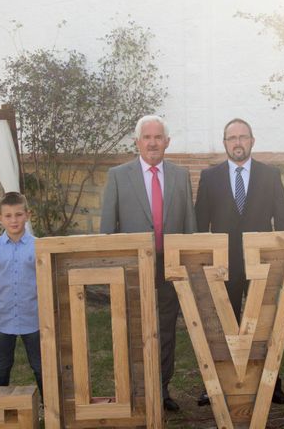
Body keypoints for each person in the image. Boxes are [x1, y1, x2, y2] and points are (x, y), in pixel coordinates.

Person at [100, 114, 196, 412]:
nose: (152, 142)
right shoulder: (118, 176)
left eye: (158, 137)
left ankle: (162, 388)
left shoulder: (181, 176)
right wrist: (113, 267)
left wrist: (188, 266)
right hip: (131, 270)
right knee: (133, 330)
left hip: (169, 269)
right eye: (147, 137)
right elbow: (107, 230)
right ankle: (135, 390)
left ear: (167, 142)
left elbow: (190, 227)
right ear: (137, 142)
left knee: (166, 330)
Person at [195, 118, 284, 405]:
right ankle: (217, 384)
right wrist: (204, 263)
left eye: (243, 137)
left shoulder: (270, 175)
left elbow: (283, 220)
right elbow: (201, 224)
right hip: (224, 264)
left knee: (265, 323)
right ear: (225, 143)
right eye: (231, 138)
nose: (237, 142)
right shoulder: (209, 177)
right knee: (222, 325)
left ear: (252, 140)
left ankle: (271, 381)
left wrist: (283, 260)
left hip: (261, 263)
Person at [0, 192, 43, 398]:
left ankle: (50, 407)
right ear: (0, 218)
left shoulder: (39, 247)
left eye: (18, 214)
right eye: (8, 216)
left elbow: (44, 280)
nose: (14, 220)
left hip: (33, 316)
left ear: (27, 215)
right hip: (2, 318)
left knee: (40, 365)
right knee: (2, 364)